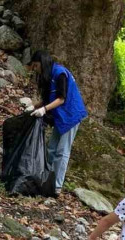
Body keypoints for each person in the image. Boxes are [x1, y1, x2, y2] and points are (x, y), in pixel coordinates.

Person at [26, 50, 88, 196]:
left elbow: (61, 99)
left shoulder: (60, 73)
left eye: (36, 65)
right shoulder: (49, 76)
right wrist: (34, 106)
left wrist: (44, 110)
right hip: (60, 117)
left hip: (71, 115)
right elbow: (49, 98)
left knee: (62, 151)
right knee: (51, 149)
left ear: (43, 62)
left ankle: (57, 186)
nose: (36, 69)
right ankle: (47, 179)